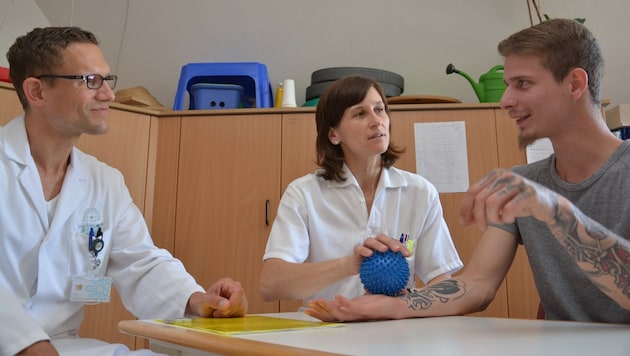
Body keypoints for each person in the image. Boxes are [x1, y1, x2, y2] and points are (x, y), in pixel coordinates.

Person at [305, 18, 630, 323]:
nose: (505, 100)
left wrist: (557, 212)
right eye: (507, 84)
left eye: (523, 83)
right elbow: (477, 284)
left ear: (574, 84)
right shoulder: (526, 183)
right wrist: (393, 306)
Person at [0, 26, 248, 355]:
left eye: (107, 79)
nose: (108, 95)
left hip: (64, 347)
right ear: (37, 91)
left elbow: (141, 263)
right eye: (90, 81)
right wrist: (26, 344)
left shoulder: (105, 182)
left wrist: (197, 300)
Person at [259, 76, 463, 308]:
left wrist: (408, 302)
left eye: (380, 109)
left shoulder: (420, 192)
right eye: (360, 113)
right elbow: (271, 284)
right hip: (325, 333)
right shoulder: (304, 193)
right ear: (334, 134)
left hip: (396, 330)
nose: (377, 121)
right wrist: (349, 265)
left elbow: (441, 278)